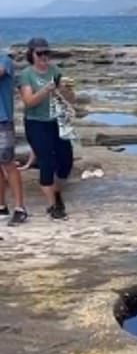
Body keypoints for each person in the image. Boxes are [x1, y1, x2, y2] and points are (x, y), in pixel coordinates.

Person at [19, 37, 76, 220]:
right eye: (39, 53)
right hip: (36, 122)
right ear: (32, 54)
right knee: (46, 161)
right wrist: (46, 90)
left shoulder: (55, 71)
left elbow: (69, 99)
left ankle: (56, 191)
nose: (44, 57)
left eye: (47, 53)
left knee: (66, 160)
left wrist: (67, 91)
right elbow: (29, 102)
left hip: (56, 121)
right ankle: (52, 206)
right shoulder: (27, 74)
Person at [0, 50, 27, 225]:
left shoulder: (5, 61)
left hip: (2, 121)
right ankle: (1, 205)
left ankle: (20, 208)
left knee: (8, 163)